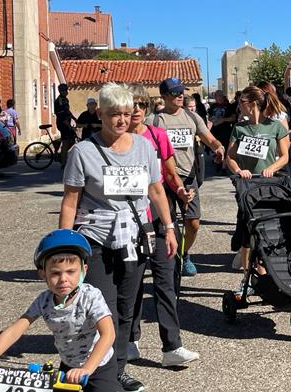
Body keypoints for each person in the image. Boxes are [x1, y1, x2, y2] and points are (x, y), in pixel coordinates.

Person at [59, 82, 179, 392]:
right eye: (114, 114)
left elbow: (155, 190)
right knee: (103, 311)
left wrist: (167, 227)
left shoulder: (143, 147)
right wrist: (63, 244)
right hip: (96, 239)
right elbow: (71, 200)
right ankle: (99, 375)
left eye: (126, 114)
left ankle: (118, 370)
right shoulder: (83, 152)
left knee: (128, 308)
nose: (122, 120)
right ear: (100, 113)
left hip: (134, 238)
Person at [0, 230, 116, 391]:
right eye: (55, 273)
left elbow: (108, 334)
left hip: (99, 364)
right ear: (42, 274)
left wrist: (87, 368)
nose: (63, 279)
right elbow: (15, 331)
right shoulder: (44, 300)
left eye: (71, 271)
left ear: (84, 270)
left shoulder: (91, 296)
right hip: (68, 365)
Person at [126, 87, 198, 368]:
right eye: (131, 104)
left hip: (159, 219)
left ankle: (172, 346)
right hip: (129, 222)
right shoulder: (116, 139)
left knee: (166, 283)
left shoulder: (157, 136)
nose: (136, 110)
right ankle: (130, 340)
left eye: (141, 104)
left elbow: (170, 172)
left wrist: (180, 191)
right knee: (131, 285)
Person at [151, 77, 226, 277]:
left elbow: (208, 138)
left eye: (181, 92)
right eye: (175, 93)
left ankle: (184, 255)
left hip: (188, 176)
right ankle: (167, 260)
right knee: (166, 223)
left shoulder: (192, 117)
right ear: (164, 96)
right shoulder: (156, 120)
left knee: (193, 223)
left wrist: (218, 147)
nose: (180, 96)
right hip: (164, 179)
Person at [226, 86, 291, 289]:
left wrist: (272, 168)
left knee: (268, 230)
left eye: (241, 102)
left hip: (269, 185)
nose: (238, 106)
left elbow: (285, 156)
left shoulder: (275, 127)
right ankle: (247, 278)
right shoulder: (239, 128)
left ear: (252, 103)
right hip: (247, 186)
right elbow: (230, 157)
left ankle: (264, 273)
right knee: (247, 233)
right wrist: (239, 171)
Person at [55, 84, 78, 165]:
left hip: (66, 122)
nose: (66, 92)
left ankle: (65, 157)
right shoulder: (59, 101)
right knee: (65, 143)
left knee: (72, 140)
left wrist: (74, 119)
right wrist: (69, 126)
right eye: (65, 90)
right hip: (62, 123)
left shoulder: (65, 99)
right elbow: (62, 116)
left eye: (67, 90)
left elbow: (68, 112)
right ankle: (63, 163)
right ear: (61, 91)